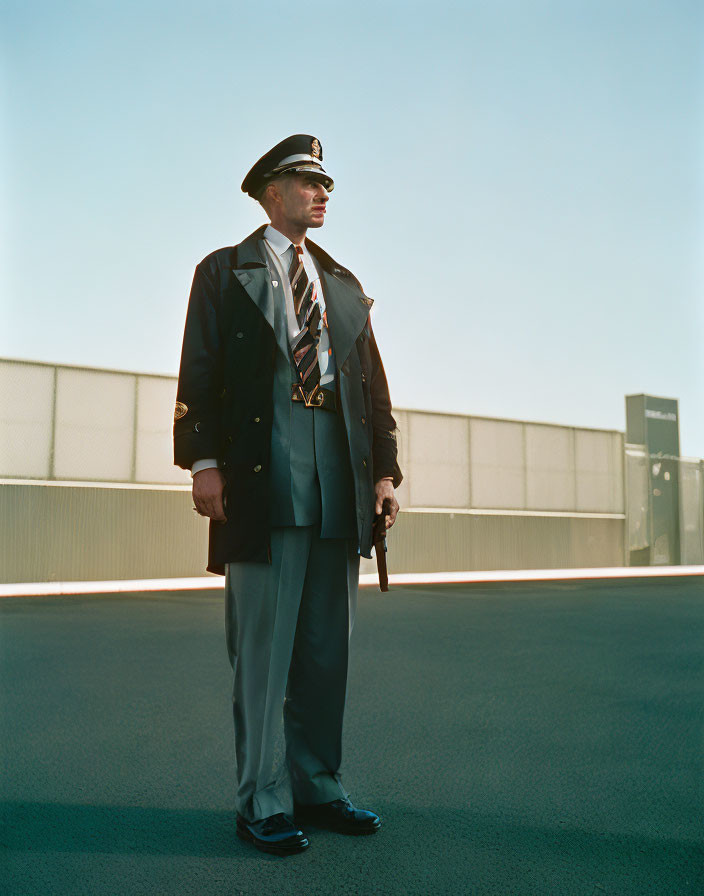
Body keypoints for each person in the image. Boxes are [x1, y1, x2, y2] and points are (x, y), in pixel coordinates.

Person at [173, 135, 402, 857]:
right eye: (308, 179)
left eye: (325, 181)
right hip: (262, 478)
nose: (322, 190)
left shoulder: (340, 281)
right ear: (271, 190)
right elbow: (198, 370)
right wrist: (203, 462)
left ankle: (320, 786)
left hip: (338, 478)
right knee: (264, 652)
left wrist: (385, 473)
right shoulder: (223, 271)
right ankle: (262, 800)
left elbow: (372, 387)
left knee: (326, 650)